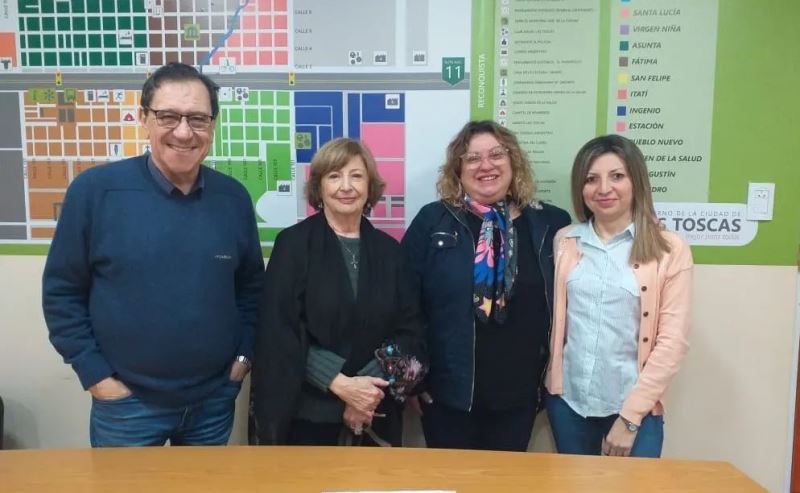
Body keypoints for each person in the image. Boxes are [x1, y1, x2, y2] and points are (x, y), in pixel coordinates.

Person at [42, 63, 264, 447]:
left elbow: (251, 291)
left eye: (197, 118)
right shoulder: (95, 192)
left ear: (212, 125)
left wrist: (242, 361)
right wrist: (97, 377)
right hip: (127, 407)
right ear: (144, 118)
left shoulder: (233, 198)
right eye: (168, 117)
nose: (184, 132)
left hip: (213, 403)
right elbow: (62, 293)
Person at [401, 120, 571, 451]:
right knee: (449, 478)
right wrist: (414, 379)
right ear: (458, 169)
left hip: (520, 395)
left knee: (505, 479)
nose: (486, 165)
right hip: (447, 395)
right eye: (473, 158)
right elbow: (405, 301)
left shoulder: (550, 223)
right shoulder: (432, 221)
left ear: (513, 161)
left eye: (496, 154)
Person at [250, 138, 426, 446]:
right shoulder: (292, 245)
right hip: (307, 416)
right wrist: (339, 383)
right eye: (334, 176)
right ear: (319, 187)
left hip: (375, 410)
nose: (346, 186)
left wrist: (365, 391)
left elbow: (411, 329)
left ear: (370, 186)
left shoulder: (391, 252)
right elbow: (278, 331)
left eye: (356, 176)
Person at [544, 134, 693, 457]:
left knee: (634, 484)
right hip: (569, 404)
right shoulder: (565, 241)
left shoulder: (669, 248)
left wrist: (630, 418)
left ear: (636, 181)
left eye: (617, 176)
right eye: (591, 179)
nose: (604, 189)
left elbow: (672, 342)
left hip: (634, 409)